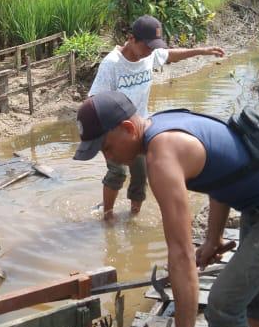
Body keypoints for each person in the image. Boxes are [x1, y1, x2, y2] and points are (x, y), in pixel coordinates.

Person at [73, 91, 259, 327]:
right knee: (253, 288)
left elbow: (181, 253)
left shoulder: (161, 158)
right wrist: (213, 238)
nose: (108, 159)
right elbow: (220, 174)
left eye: (106, 148)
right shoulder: (163, 124)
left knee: (224, 305)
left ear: (128, 128)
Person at [88, 15, 225, 219]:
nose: (150, 51)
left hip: (139, 127)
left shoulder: (149, 55)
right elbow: (93, 100)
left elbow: (170, 55)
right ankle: (107, 216)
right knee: (118, 173)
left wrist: (202, 51)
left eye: (153, 47)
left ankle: (133, 216)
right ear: (131, 39)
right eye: (147, 46)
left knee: (141, 176)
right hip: (115, 131)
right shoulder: (112, 64)